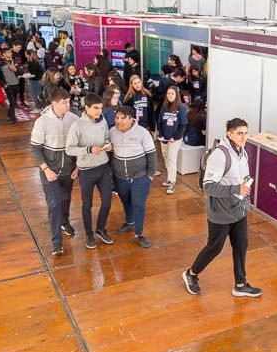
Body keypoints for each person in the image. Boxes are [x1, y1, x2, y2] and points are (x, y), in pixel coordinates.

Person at [182, 118, 262, 298]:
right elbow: (208, 186)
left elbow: (240, 178)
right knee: (214, 248)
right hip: (220, 213)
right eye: (239, 133)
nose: (243, 137)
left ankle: (240, 285)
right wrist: (236, 189)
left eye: (245, 133)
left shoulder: (243, 152)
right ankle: (191, 274)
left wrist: (244, 191)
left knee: (241, 246)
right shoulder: (220, 155)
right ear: (230, 134)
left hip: (239, 210)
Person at [30, 88, 79, 256]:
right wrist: (46, 169)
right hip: (49, 170)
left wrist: (77, 166)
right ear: (54, 103)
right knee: (54, 203)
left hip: (69, 169)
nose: (68, 105)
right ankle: (57, 241)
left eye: (69, 102)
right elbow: (35, 148)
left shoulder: (74, 119)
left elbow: (79, 143)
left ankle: (65, 221)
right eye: (64, 103)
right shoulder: (42, 122)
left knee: (65, 199)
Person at [65, 93, 115, 250]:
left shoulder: (103, 121)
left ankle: (100, 229)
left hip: (103, 167)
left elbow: (107, 137)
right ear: (86, 108)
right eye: (95, 108)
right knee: (87, 204)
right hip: (86, 170)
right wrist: (88, 149)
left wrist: (108, 145)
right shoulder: (77, 125)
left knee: (107, 201)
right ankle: (89, 234)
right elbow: (69, 149)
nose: (99, 111)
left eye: (100, 108)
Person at [109, 105, 157, 249]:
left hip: (140, 177)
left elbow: (152, 154)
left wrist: (150, 175)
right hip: (120, 177)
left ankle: (139, 234)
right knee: (126, 201)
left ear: (131, 119)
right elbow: (110, 152)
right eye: (117, 117)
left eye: (123, 118)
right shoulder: (112, 132)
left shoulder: (142, 133)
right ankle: (129, 223)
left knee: (138, 205)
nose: (119, 121)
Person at [157, 86, 188, 195]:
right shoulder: (164, 106)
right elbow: (160, 122)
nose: (170, 95)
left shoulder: (181, 108)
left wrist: (174, 137)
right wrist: (161, 135)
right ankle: (169, 179)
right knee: (165, 156)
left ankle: (172, 182)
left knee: (171, 159)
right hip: (164, 138)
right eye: (168, 93)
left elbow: (183, 124)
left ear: (176, 95)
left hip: (175, 139)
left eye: (172, 93)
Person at [0, 48, 20, 125]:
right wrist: (3, 84)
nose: (10, 53)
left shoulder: (13, 61)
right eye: (8, 52)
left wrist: (16, 69)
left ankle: (9, 114)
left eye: (10, 52)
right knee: (12, 102)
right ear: (3, 54)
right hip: (8, 86)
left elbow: (21, 71)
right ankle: (13, 120)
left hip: (16, 84)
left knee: (14, 101)